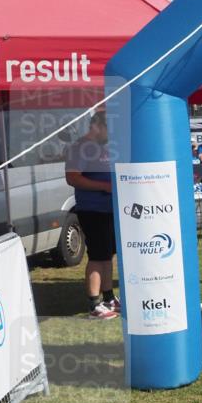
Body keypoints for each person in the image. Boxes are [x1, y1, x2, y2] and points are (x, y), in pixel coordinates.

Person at [65, 111, 119, 319]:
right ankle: (94, 304)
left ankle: (108, 298)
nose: (110, 135)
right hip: (92, 209)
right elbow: (72, 178)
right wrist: (104, 186)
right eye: (108, 129)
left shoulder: (103, 147)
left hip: (108, 209)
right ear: (97, 126)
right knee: (97, 256)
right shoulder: (80, 148)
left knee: (107, 254)